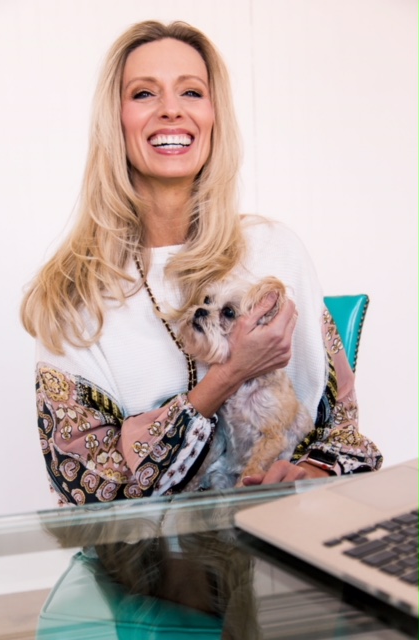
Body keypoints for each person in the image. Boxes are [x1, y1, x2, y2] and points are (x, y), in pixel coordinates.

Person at [21, 20, 382, 507]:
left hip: (276, 546)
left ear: (214, 114)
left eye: (191, 92)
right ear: (116, 117)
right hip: (143, 571)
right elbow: (88, 492)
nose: (171, 109)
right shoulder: (73, 294)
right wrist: (227, 377)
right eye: (144, 93)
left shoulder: (275, 250)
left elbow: (341, 430)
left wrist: (307, 472)